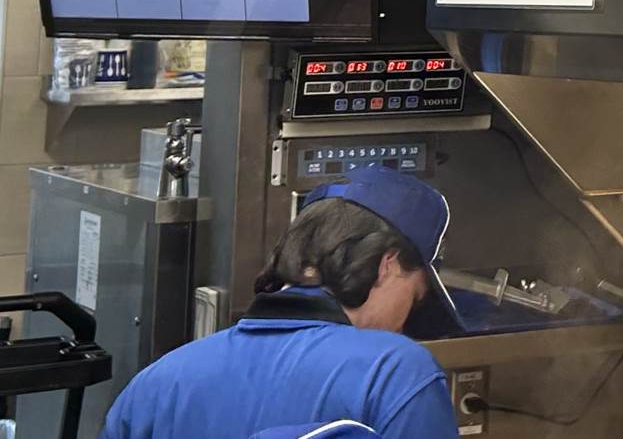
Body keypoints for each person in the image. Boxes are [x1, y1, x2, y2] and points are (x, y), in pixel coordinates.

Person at [101, 167, 457, 439]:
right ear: (387, 265)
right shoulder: (394, 372)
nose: (403, 324)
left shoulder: (156, 383)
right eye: (414, 297)